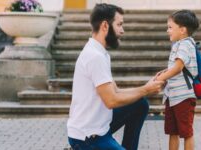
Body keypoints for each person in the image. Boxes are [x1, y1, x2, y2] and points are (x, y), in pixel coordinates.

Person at [67, 3, 165, 150]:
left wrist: (146, 87)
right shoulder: (95, 57)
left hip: (99, 127)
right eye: (119, 25)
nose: (122, 30)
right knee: (141, 98)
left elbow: (116, 91)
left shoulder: (100, 53)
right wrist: (146, 90)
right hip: (87, 137)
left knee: (140, 104)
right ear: (105, 26)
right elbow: (111, 100)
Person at [155, 10, 199, 150]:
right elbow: (174, 67)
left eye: (170, 27)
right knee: (172, 132)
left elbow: (178, 67)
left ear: (182, 30)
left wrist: (161, 78)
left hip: (183, 97)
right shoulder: (178, 45)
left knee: (186, 133)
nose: (167, 30)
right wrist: (163, 72)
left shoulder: (186, 44)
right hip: (172, 96)